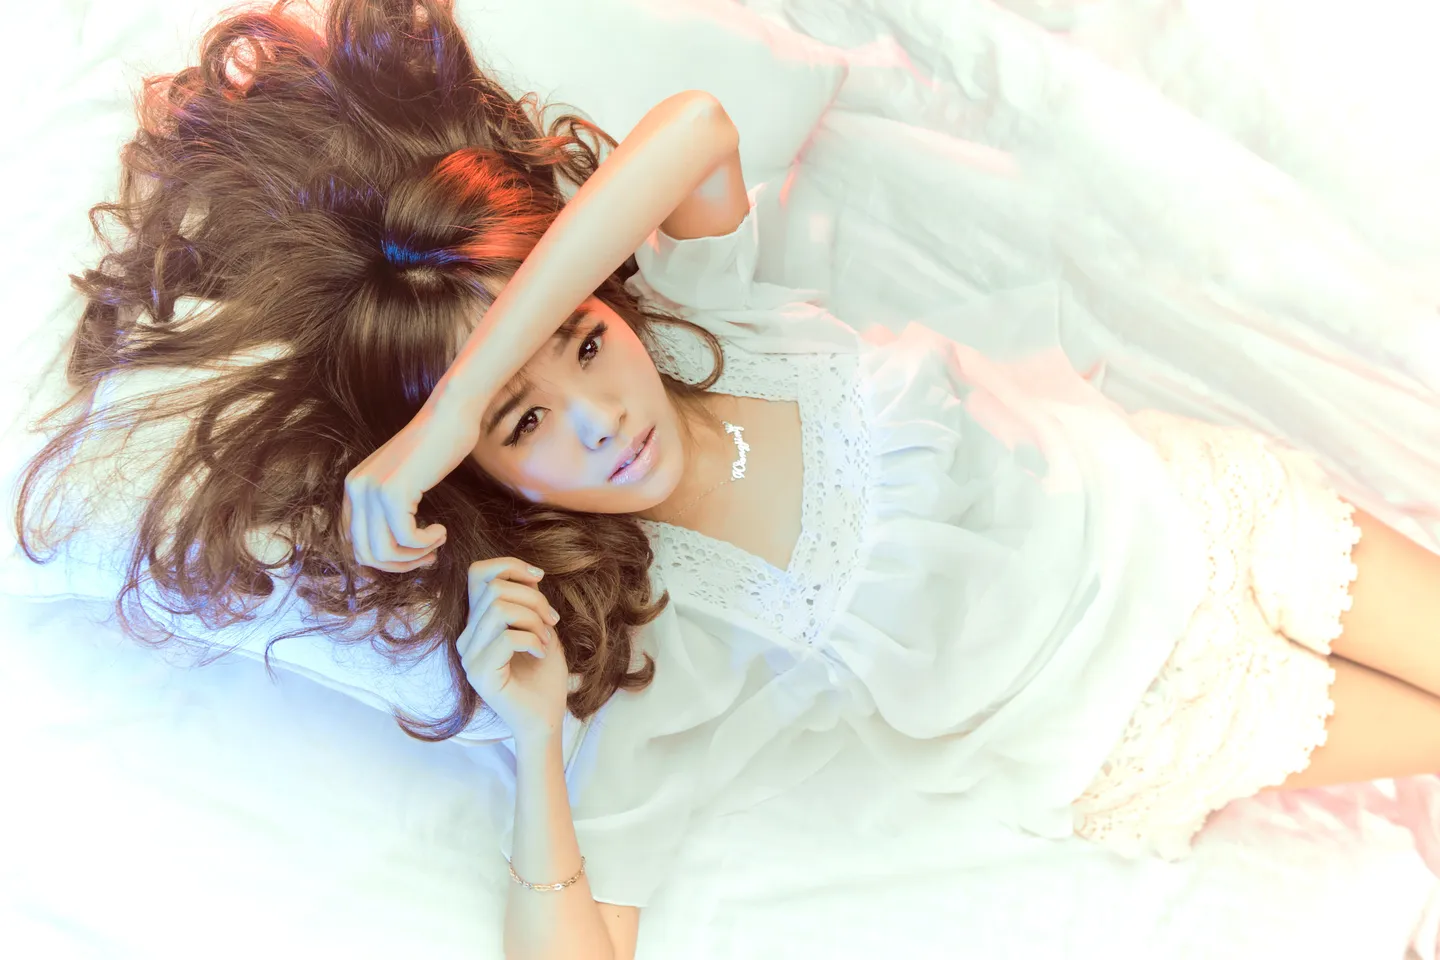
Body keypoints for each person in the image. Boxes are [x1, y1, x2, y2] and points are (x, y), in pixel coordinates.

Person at [17, 1, 1440, 958]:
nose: (599, 416)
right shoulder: (662, 633)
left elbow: (694, 128)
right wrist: (532, 740)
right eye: (527, 423)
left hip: (1198, 508)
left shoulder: (715, 306)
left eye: (585, 340)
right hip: (1144, 717)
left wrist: (452, 410)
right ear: (492, 482)